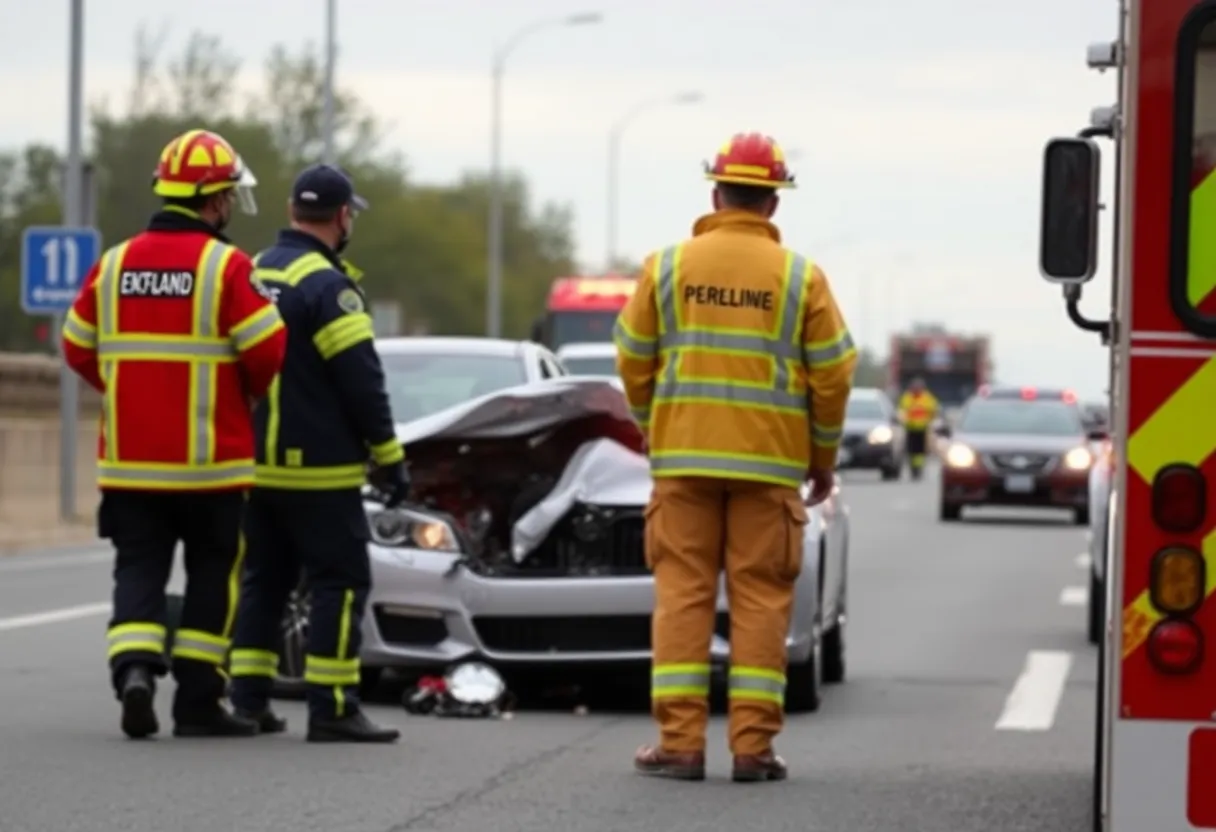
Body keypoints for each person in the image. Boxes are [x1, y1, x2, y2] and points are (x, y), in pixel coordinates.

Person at [614, 132, 857, 782]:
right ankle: (752, 749)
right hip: (770, 469)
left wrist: (654, 427)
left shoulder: (666, 266)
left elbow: (633, 356)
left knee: (683, 599)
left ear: (716, 193)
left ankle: (680, 744)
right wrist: (821, 455)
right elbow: (834, 372)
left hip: (683, 466)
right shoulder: (802, 277)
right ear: (773, 203)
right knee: (759, 603)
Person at [60, 128, 287, 739]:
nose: (230, 208)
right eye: (229, 198)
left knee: (138, 567)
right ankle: (196, 704)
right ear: (212, 200)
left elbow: (76, 347)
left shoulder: (114, 263)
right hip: (211, 466)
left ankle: (134, 670)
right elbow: (268, 350)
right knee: (214, 575)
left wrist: (128, 390)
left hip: (131, 464)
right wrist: (238, 393)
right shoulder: (226, 265)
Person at [226, 164, 410, 743]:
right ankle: (331, 705)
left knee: (265, 581)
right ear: (341, 216)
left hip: (253, 462)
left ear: (290, 212)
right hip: (321, 470)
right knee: (340, 580)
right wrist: (390, 455)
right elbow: (361, 380)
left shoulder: (252, 272)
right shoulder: (330, 287)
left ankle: (248, 700)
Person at [898, 377, 939, 479]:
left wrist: (930, 421)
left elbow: (934, 410)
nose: (916, 389)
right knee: (911, 450)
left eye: (918, 387)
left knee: (920, 451)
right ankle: (913, 468)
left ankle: (918, 469)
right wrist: (903, 420)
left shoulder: (927, 398)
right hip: (910, 428)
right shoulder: (907, 397)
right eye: (915, 387)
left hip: (922, 429)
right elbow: (902, 411)